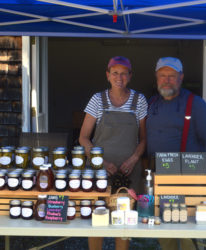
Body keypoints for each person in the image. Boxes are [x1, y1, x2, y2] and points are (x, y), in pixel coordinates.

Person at [146, 57, 206, 250]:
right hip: (158, 178)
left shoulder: (195, 104)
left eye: (171, 76)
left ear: (181, 77)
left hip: (188, 179)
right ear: (156, 77)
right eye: (162, 75)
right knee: (164, 227)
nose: (166, 80)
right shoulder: (152, 103)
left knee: (188, 230)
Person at [79, 56, 147, 250]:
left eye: (124, 73)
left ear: (130, 76)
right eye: (115, 73)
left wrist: (134, 159)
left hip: (128, 172)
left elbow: (143, 140)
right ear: (108, 75)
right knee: (97, 220)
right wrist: (100, 162)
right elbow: (83, 138)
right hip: (100, 171)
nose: (119, 77)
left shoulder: (139, 100)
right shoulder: (97, 100)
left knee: (124, 222)